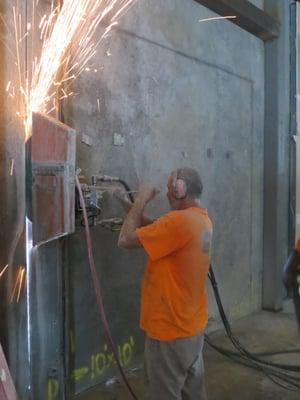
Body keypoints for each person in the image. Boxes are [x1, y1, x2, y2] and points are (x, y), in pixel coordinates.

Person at [117, 167, 213, 400]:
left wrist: (141, 198)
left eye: (171, 189)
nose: (168, 194)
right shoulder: (200, 219)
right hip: (191, 329)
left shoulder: (178, 222)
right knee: (193, 393)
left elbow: (125, 240)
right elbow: (156, 229)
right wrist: (125, 203)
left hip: (170, 332)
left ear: (181, 190)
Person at [283, 238, 300, 329]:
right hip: (289, 279)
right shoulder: (296, 255)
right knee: (297, 303)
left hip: (290, 278)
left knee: (297, 302)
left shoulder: (295, 254)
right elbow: (292, 269)